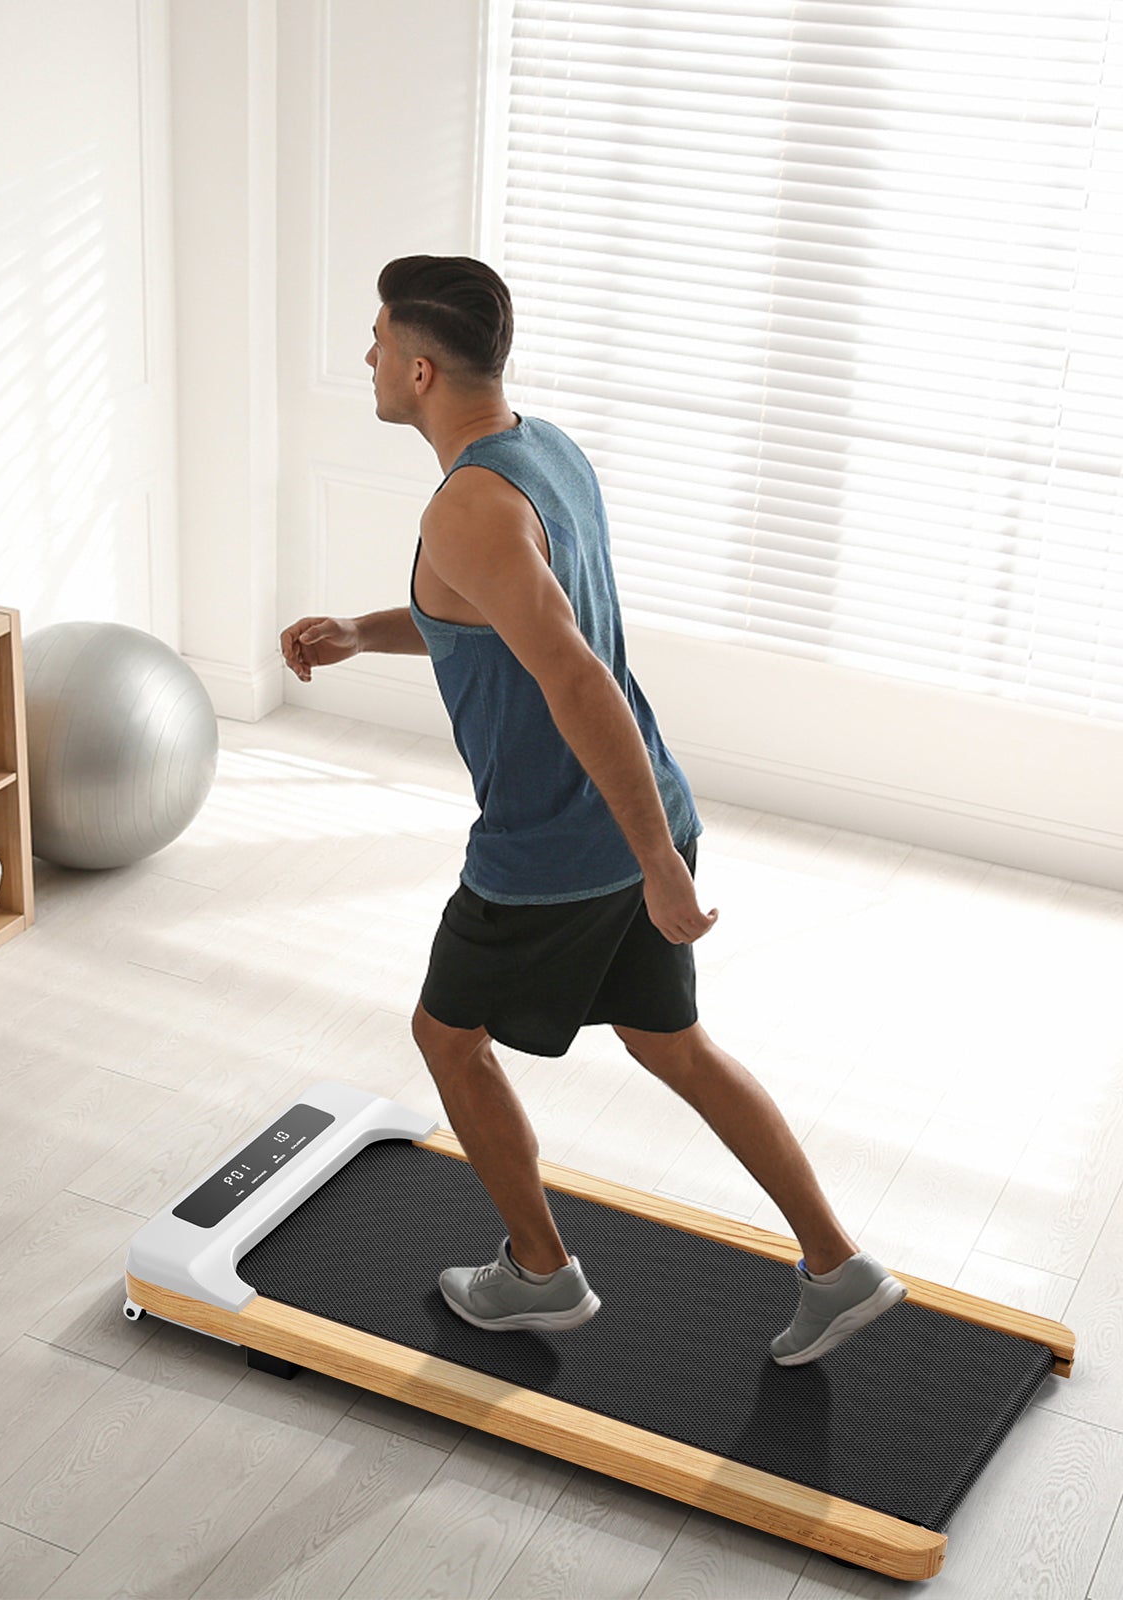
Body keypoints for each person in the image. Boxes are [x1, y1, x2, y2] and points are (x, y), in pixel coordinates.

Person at [280, 255, 906, 1366]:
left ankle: (536, 1273)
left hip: (558, 853)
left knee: (445, 1033)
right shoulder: (540, 452)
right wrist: (359, 633)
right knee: (674, 1045)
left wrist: (657, 865)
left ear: (419, 367)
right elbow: (498, 624)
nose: (366, 355)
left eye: (376, 337)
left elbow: (575, 679)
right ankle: (836, 1263)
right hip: (637, 815)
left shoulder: (465, 504)